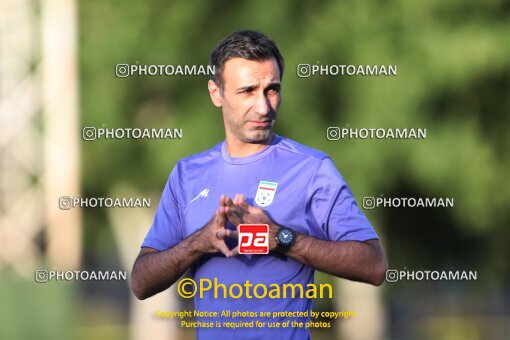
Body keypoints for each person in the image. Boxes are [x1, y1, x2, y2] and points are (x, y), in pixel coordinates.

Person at [131, 30, 388, 339]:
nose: (264, 106)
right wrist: (199, 242)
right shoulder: (187, 174)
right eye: (248, 91)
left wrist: (281, 238)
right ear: (217, 93)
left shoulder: (312, 169)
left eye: (272, 89)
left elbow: (374, 266)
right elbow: (141, 282)